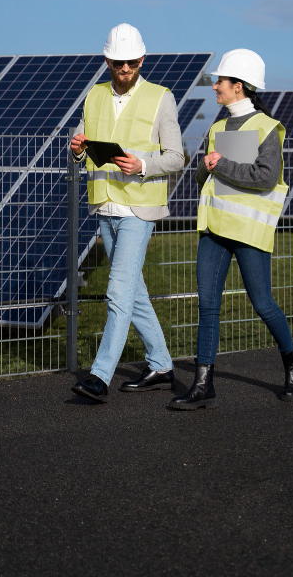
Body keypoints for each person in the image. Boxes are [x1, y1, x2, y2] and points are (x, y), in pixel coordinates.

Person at [169, 48, 293, 411]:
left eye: (221, 81)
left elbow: (265, 178)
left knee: (263, 304)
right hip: (213, 228)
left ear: (239, 87)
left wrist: (221, 163)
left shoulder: (266, 127)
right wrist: (205, 166)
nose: (215, 86)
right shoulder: (216, 128)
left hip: (248, 231)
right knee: (208, 307)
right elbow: (206, 178)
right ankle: (203, 384)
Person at [70, 24, 186, 402]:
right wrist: (76, 148)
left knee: (117, 291)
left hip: (139, 209)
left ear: (142, 59)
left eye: (132, 61)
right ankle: (162, 364)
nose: (126, 67)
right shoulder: (94, 96)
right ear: (107, 60)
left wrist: (142, 165)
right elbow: (84, 140)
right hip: (105, 204)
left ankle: (99, 376)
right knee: (133, 292)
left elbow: (176, 157)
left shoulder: (160, 98)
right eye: (119, 61)